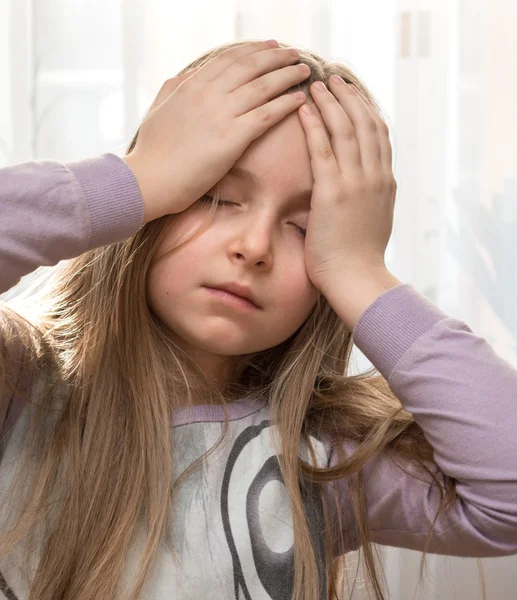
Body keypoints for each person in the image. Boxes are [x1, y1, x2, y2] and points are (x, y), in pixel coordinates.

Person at [0, 38, 516, 600]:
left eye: (305, 228)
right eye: (217, 195)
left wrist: (358, 268)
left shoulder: (321, 458)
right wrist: (137, 179)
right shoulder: (20, 387)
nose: (254, 247)